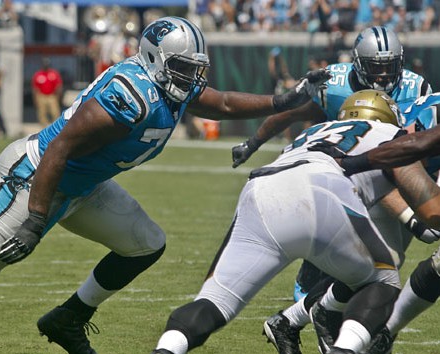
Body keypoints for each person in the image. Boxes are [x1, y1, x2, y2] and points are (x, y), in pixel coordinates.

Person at [0, 17, 330, 354]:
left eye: (194, 69)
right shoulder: (129, 95)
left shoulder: (167, 87)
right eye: (183, 68)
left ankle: (68, 317)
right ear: (156, 61)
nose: (192, 79)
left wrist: (281, 100)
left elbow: (219, 103)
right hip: (34, 176)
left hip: (83, 185)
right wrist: (36, 219)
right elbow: (60, 147)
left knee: (145, 245)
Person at [151, 89, 440, 354]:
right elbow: (429, 210)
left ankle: (167, 348)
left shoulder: (316, 132)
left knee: (214, 302)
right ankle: (345, 348)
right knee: (383, 281)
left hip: (261, 188)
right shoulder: (391, 133)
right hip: (322, 190)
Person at [232, 25, 432, 306]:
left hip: (390, 170)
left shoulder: (415, 86)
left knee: (388, 257)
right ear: (358, 64)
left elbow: (423, 139)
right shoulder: (333, 83)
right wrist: (253, 142)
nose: (384, 75)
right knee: (350, 240)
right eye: (377, 67)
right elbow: (293, 111)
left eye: (390, 67)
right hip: (340, 166)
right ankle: (312, 289)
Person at [308, 93, 440, 354]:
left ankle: (299, 320)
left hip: (391, 166)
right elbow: (406, 150)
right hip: (378, 173)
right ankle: (306, 317)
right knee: (380, 268)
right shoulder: (411, 122)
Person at [31, 57, 63, 128]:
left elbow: (58, 86)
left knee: (55, 113)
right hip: (41, 96)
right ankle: (44, 128)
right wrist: (35, 99)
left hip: (52, 96)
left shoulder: (54, 74)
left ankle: (56, 128)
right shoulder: (38, 74)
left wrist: (59, 97)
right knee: (42, 114)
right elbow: (35, 88)